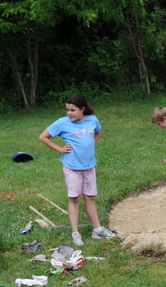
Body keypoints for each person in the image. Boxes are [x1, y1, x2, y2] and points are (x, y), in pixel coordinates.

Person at [39, 94, 117, 246]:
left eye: (73, 110)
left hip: (89, 166)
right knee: (74, 199)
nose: (69, 113)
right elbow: (43, 136)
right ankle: (75, 233)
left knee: (90, 197)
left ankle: (97, 230)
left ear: (82, 109)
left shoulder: (92, 120)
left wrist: (91, 145)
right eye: (67, 110)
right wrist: (60, 149)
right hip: (72, 168)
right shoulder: (62, 123)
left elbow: (99, 132)